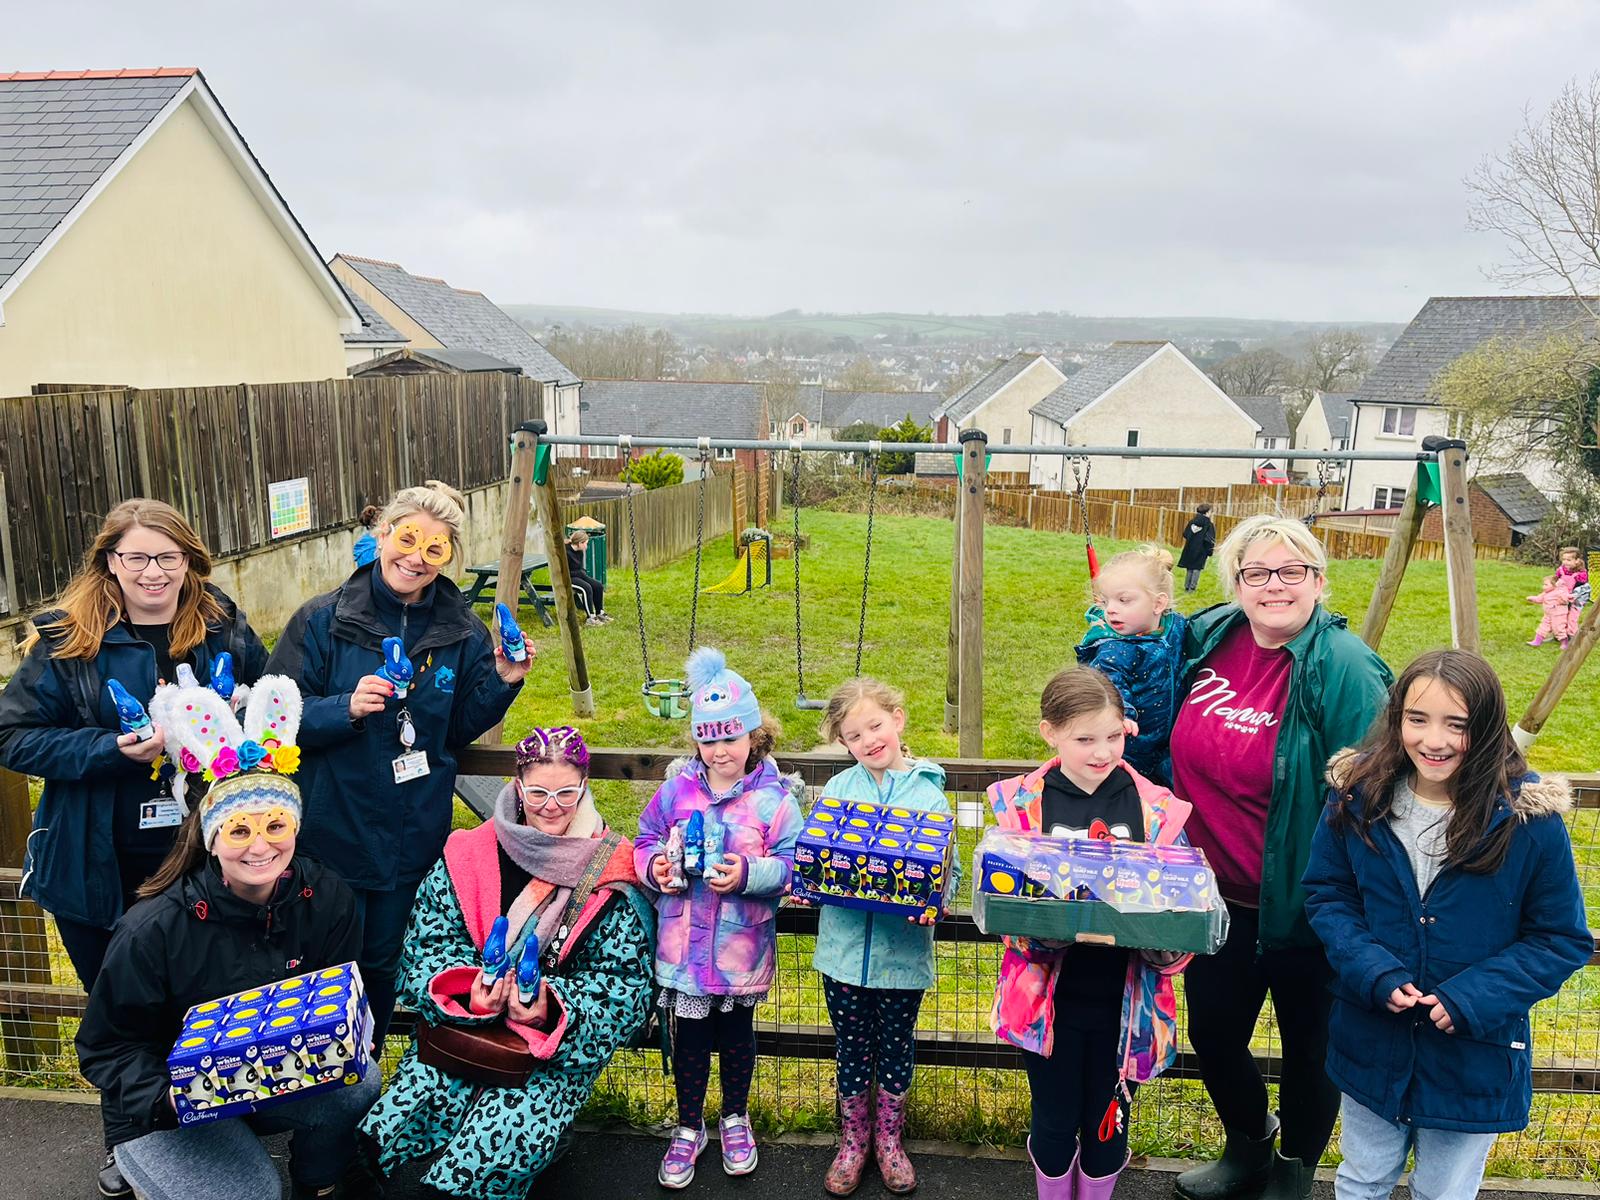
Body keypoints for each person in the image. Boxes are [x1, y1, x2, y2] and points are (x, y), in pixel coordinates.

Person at [0, 498, 266, 1199]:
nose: (153, 572)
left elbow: (267, 698)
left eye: (168, 558)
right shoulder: (66, 640)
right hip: (95, 864)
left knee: (199, 1005)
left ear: (190, 561)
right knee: (119, 1015)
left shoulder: (221, 626)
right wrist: (107, 749)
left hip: (198, 858)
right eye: (136, 558)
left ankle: (211, 1144)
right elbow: (12, 736)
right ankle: (130, 1145)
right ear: (109, 562)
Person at [75, 676, 382, 1200]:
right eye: (239, 830)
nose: (260, 847)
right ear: (212, 838)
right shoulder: (153, 929)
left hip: (266, 1078)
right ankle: (152, 1165)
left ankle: (318, 1178)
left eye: (276, 826)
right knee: (253, 1192)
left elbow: (336, 997)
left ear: (295, 827)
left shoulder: (326, 896)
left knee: (363, 1078)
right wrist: (168, 1098)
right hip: (171, 1104)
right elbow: (105, 1048)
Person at [1304, 649, 1590, 1200]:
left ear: (1485, 726)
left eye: (1456, 724)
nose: (1434, 740)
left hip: (1473, 1055)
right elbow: (1328, 894)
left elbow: (1560, 938)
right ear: (1397, 720)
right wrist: (1374, 972)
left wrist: (1471, 999)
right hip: (1371, 1039)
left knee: (1445, 1190)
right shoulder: (1356, 799)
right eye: (1418, 719)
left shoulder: (1527, 822)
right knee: (1362, 1178)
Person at [1170, 515, 1392, 1200]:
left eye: (1291, 571)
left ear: (1318, 582)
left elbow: (1375, 792)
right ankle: (1248, 1146)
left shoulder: (1344, 667)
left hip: (1308, 904)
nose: (1274, 586)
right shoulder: (1209, 639)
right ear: (1235, 583)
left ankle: (1293, 1172)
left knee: (1310, 1051)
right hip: (1212, 898)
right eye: (1257, 572)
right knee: (1213, 1034)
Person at [265, 481, 533, 1049]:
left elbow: (456, 727)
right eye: (406, 539)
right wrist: (345, 708)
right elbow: (271, 722)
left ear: (449, 556)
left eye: (434, 549)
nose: (415, 558)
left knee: (383, 967)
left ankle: (363, 1077)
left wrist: (504, 681)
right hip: (332, 832)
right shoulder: (322, 621)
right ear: (381, 534)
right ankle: (315, 1097)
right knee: (317, 973)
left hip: (410, 836)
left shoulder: (461, 630)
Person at [361, 726, 654, 1200]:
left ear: (583, 787)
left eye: (565, 792)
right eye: (538, 791)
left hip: (552, 1049)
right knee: (387, 1125)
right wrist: (463, 987)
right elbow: (427, 943)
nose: (551, 805)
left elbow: (625, 990)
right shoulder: (469, 852)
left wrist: (549, 1006)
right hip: (468, 1029)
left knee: (492, 1148)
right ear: (518, 786)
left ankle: (526, 1150)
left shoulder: (613, 868)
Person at [987, 666, 1195, 1200]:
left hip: (1125, 1010)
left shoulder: (1156, 809)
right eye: (1084, 739)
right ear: (1049, 733)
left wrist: (1168, 946)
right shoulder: (1021, 807)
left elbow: (1183, 904)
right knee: (1054, 1124)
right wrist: (1044, 932)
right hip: (1047, 1007)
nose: (1102, 752)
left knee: (1109, 1126)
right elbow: (1002, 905)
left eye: (1113, 735)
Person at [634, 647, 804, 1190]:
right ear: (696, 740)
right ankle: (689, 1126)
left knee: (735, 1037)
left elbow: (797, 865)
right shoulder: (675, 790)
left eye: (730, 738)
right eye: (708, 739)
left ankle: (735, 1117)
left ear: (754, 737)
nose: (719, 750)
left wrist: (750, 874)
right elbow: (643, 838)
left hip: (738, 953)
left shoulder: (774, 801)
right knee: (689, 1040)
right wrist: (654, 866)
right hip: (683, 949)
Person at [805, 677, 959, 1196]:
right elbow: (817, 858)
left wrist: (933, 903)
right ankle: (854, 1141)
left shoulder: (929, 793)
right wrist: (810, 882)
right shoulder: (838, 792)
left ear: (898, 718)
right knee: (851, 1048)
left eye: (875, 724)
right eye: (854, 735)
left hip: (902, 957)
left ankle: (890, 1141)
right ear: (843, 744)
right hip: (843, 955)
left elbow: (947, 871)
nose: (869, 739)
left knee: (895, 1046)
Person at [1074, 544, 1187, 785]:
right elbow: (1109, 682)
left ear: (1158, 604)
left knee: (1170, 801)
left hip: (1169, 747)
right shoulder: (1115, 648)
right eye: (1105, 602)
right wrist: (1121, 712)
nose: (1111, 609)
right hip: (1131, 748)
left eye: (1123, 600)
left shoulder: (1175, 628)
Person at [565, 530, 610, 625]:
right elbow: (566, 572)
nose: (587, 546)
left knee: (598, 586)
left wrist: (582, 574)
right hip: (568, 578)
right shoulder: (566, 552)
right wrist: (581, 573)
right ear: (579, 543)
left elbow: (579, 568)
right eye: (586, 543)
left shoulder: (580, 552)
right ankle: (590, 617)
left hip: (578, 575)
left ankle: (600, 613)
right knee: (587, 588)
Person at [1178, 503, 1216, 593]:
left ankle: (1186, 586)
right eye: (1210, 512)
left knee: (1189, 567)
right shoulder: (1209, 524)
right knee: (1196, 568)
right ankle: (1192, 588)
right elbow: (1210, 539)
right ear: (1206, 513)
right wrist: (1209, 551)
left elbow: (1185, 534)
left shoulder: (1192, 522)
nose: (1211, 513)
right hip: (1201, 550)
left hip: (1190, 548)